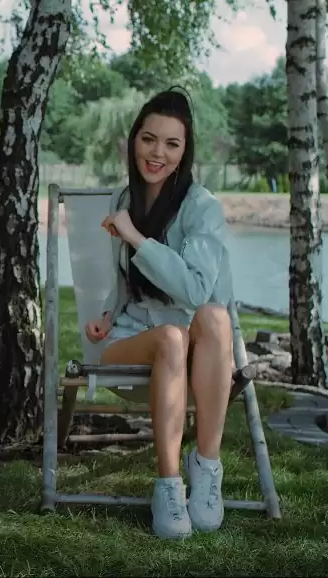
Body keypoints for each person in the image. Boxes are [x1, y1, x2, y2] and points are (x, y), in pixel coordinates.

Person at [84, 88, 235, 540]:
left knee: (213, 318)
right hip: (133, 339)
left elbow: (195, 290)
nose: (157, 153)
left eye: (172, 144)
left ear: (185, 151)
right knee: (170, 336)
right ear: (134, 140)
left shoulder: (202, 207)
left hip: (191, 346)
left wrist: (136, 237)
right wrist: (108, 313)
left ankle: (206, 468)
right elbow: (123, 279)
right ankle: (168, 486)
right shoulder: (122, 198)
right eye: (149, 139)